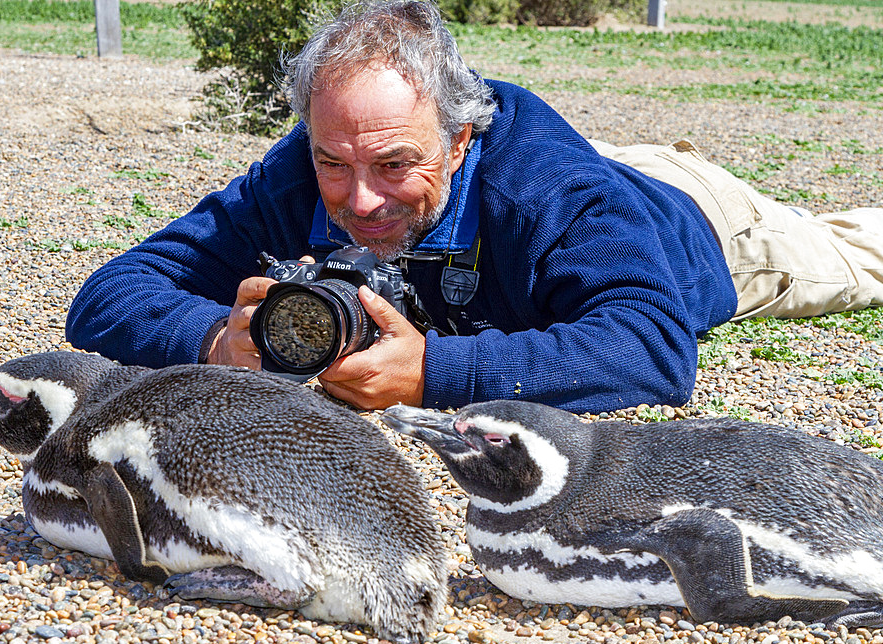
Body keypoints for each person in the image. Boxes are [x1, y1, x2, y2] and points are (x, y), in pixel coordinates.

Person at [65, 0, 883, 415]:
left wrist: (432, 372)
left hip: (702, 223)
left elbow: (653, 345)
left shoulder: (545, 196)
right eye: (333, 164)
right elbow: (110, 292)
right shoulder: (302, 171)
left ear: (458, 141)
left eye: (394, 164)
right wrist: (214, 339)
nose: (360, 199)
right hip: (582, 179)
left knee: (852, 254)